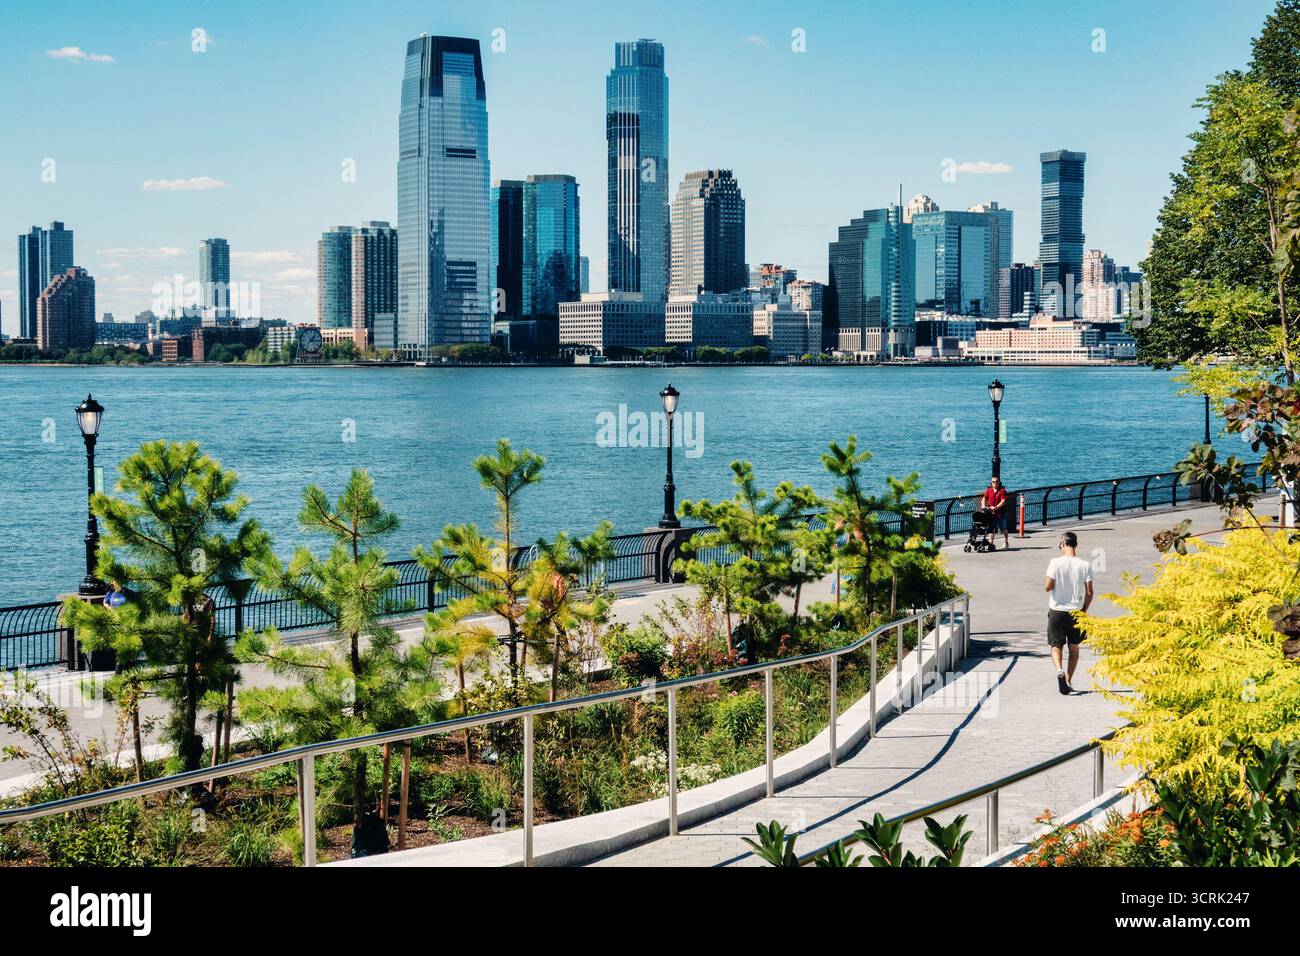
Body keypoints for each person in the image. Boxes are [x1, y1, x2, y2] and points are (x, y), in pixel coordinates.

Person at [1043, 531, 1093, 695]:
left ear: (1063, 544)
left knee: (1056, 645)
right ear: (1075, 544)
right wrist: (1084, 609)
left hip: (1057, 610)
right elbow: (1090, 592)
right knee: (1074, 648)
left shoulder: (1055, 562)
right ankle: (1069, 680)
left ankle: (1059, 670)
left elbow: (1048, 587)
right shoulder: (1085, 564)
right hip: (1076, 611)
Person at [980, 475, 1010, 549]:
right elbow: (984, 499)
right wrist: (983, 506)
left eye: (996, 482)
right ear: (991, 482)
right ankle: (991, 544)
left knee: (1003, 528)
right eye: (993, 482)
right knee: (991, 528)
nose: (995, 483)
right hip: (992, 513)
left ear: (999, 482)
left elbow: (1003, 501)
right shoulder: (989, 490)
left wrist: (996, 508)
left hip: (1001, 513)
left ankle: (1006, 542)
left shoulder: (1002, 491)